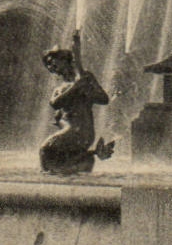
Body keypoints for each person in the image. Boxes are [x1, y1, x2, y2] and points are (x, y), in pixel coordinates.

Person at [38, 33, 115, 175]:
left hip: (80, 132)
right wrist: (76, 87)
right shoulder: (60, 88)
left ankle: (45, 182)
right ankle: (89, 157)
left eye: (52, 60)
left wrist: (86, 91)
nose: (50, 65)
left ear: (64, 59)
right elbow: (55, 103)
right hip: (73, 134)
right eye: (48, 64)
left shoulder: (86, 77)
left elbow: (104, 99)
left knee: (45, 149)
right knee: (63, 162)